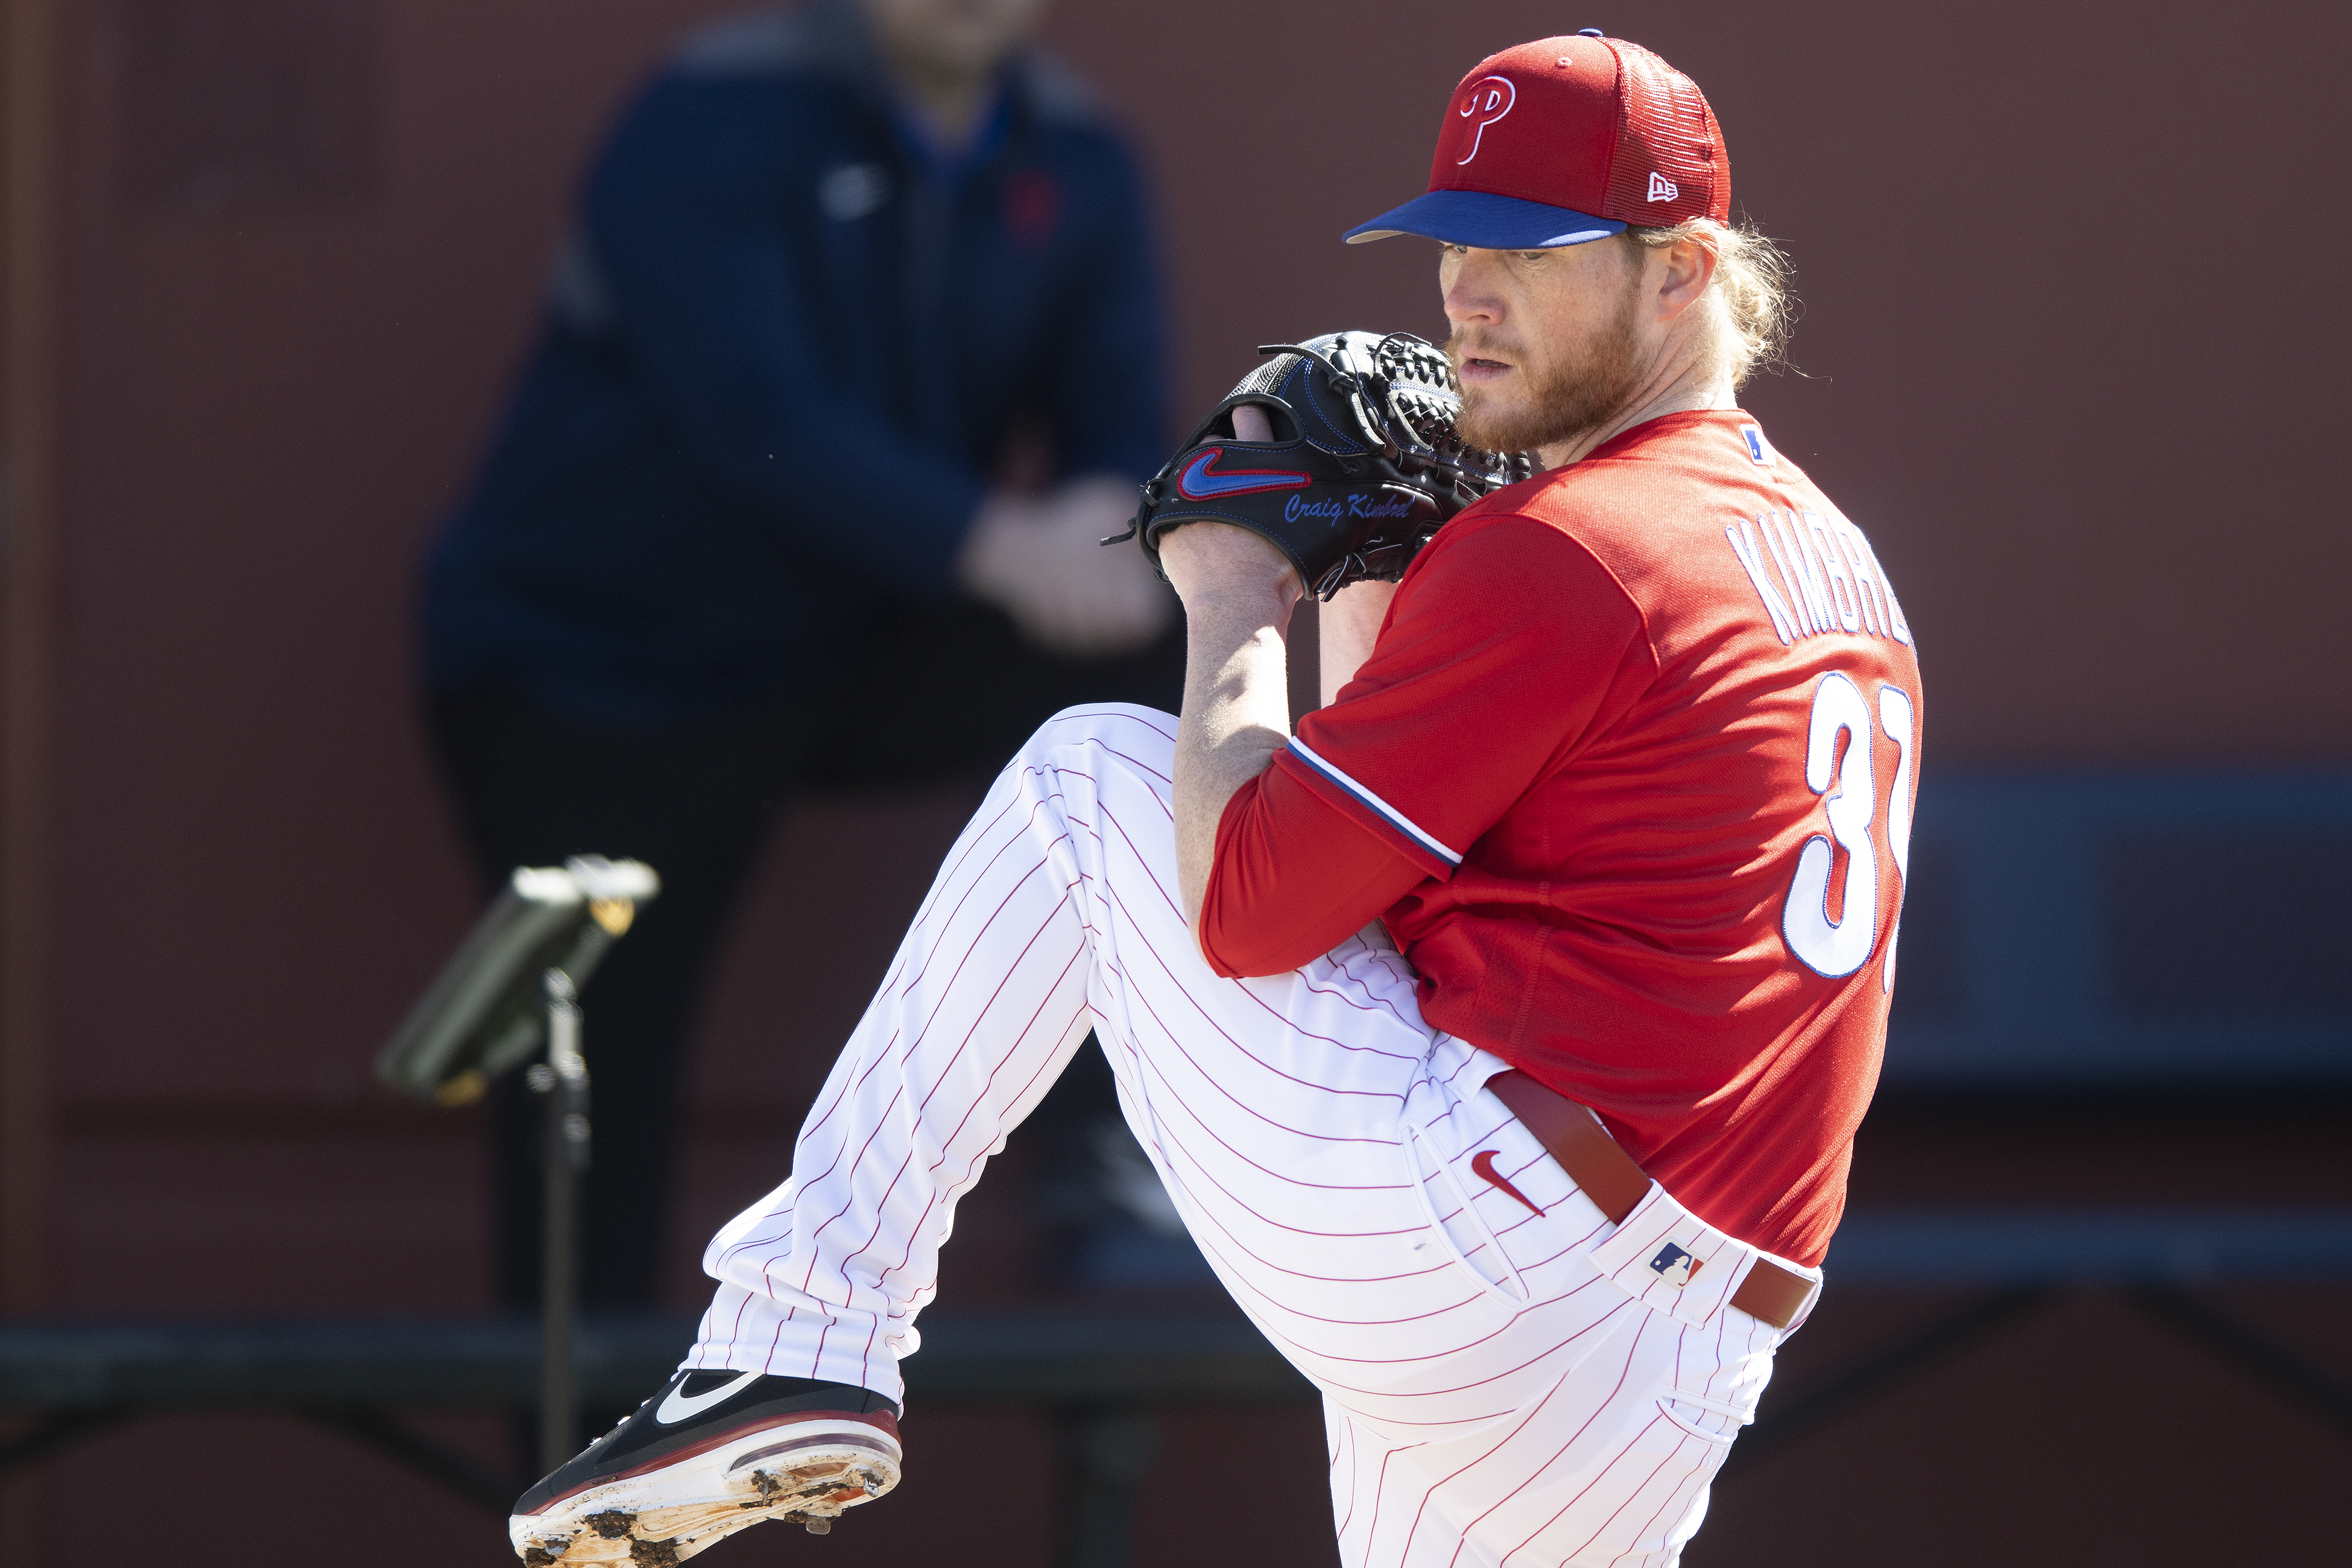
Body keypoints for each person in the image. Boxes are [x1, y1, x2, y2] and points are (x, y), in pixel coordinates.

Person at [507, 30, 1924, 1568]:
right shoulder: (1826, 554)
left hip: (1498, 1242)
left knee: (1084, 785)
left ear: (1685, 271)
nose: (1468, 290)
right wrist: (1380, 576)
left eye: (1533, 248)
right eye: (1456, 242)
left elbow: (1250, 906)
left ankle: (804, 1332)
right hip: (1683, 1345)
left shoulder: (1581, 544)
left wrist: (1237, 590)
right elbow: (1398, 893)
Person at [417, 0, 1176, 1334]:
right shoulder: (714, 113)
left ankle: (1113, 1170)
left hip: (840, 650)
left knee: (1158, 629)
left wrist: (1120, 536)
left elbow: (1117, 424)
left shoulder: (1078, 153)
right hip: (595, 674)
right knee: (595, 1110)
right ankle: (575, 1492)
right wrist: (1008, 545)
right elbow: (755, 416)